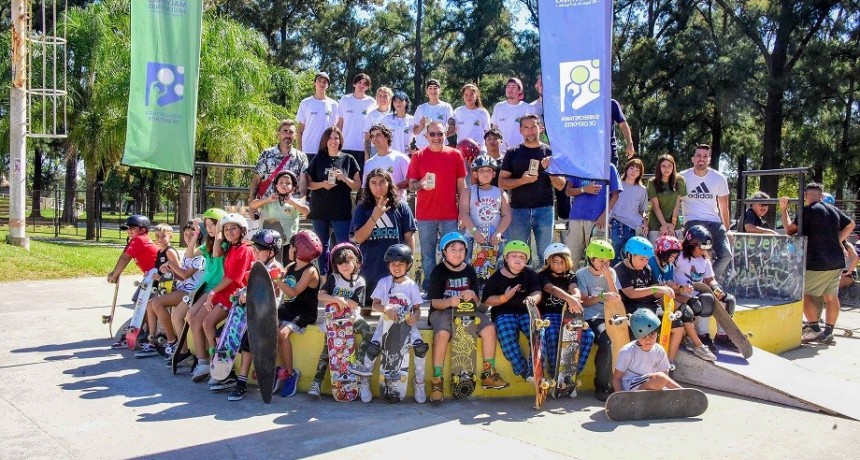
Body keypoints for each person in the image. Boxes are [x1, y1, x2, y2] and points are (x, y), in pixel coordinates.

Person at [427, 233, 509, 402]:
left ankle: (488, 372)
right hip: (443, 311)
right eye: (453, 250)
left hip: (468, 310)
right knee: (442, 334)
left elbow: (478, 303)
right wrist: (449, 301)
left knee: (489, 328)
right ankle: (437, 379)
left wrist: (472, 294)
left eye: (461, 249)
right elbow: (434, 302)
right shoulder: (438, 271)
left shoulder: (470, 269)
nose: (457, 253)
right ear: (444, 252)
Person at [780, 183, 855, 344]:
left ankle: (814, 329)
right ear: (821, 196)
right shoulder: (833, 210)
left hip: (818, 262)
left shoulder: (808, 211)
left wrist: (783, 209)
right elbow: (851, 224)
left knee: (802, 294)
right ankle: (828, 332)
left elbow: (789, 230)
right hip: (836, 261)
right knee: (831, 296)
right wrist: (838, 240)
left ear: (806, 196)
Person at [358, 244, 428, 403]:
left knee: (420, 349)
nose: (396, 268)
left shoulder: (411, 285)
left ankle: (419, 382)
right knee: (373, 348)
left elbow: (417, 309)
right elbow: (375, 304)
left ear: (408, 265)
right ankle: (364, 382)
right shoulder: (384, 283)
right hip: (385, 324)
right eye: (393, 264)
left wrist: (414, 317)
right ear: (388, 265)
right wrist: (385, 308)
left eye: (400, 264)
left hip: (407, 326)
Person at [191, 213, 255, 385]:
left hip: (235, 294)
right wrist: (219, 231)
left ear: (242, 231)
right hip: (225, 291)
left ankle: (221, 368)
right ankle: (216, 366)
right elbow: (216, 252)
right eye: (226, 228)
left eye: (233, 228)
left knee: (208, 323)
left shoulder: (245, 249)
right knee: (204, 323)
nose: (229, 231)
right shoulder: (231, 246)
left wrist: (212, 293)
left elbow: (234, 278)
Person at [498, 114, 566, 269]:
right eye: (526, 128)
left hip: (544, 209)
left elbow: (561, 185)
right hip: (518, 210)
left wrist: (550, 170)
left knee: (545, 254)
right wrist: (523, 180)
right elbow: (502, 182)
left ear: (540, 129)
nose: (530, 131)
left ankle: (544, 288)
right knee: (517, 253)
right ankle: (518, 288)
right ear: (520, 130)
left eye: (533, 127)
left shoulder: (551, 152)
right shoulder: (512, 152)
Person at [407, 121, 468, 290]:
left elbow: (461, 187)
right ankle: (431, 288)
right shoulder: (418, 156)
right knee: (428, 256)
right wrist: (421, 184)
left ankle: (451, 286)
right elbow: (411, 185)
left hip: (450, 215)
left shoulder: (455, 155)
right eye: (432, 134)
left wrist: (464, 213)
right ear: (425, 136)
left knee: (452, 253)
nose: (436, 137)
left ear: (445, 135)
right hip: (425, 215)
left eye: (440, 134)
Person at [227, 229, 285, 401]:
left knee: (249, 344)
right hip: (253, 316)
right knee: (232, 338)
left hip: (267, 318)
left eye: (259, 250)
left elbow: (269, 292)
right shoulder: (256, 267)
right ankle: (231, 375)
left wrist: (249, 294)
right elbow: (249, 288)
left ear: (272, 251)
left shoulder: (275, 268)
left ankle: (242, 382)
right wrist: (241, 293)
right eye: (255, 250)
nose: (255, 253)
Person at [352, 168, 418, 316]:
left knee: (398, 311)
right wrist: (375, 217)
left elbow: (409, 237)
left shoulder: (401, 207)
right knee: (366, 312)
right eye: (373, 183)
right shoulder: (362, 209)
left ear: (389, 184)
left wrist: (409, 259)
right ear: (368, 186)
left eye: (382, 182)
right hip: (370, 268)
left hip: (395, 268)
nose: (378, 186)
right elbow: (358, 238)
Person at [310, 242, 371, 399]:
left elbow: (353, 304)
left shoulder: (359, 281)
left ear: (356, 261)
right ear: (335, 265)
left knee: (367, 332)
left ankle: (356, 362)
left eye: (347, 262)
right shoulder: (333, 278)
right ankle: (316, 382)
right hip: (334, 321)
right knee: (327, 350)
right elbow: (320, 296)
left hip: (352, 317)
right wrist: (336, 299)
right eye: (340, 263)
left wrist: (335, 301)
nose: (344, 266)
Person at [169, 208, 226, 367]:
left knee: (199, 321)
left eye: (212, 225)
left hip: (218, 289)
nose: (208, 229)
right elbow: (188, 255)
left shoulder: (224, 243)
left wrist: (219, 233)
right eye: (206, 225)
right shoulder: (207, 243)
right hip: (205, 287)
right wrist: (195, 234)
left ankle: (206, 360)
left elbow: (216, 254)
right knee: (190, 317)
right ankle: (201, 360)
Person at [648, 235, 716, 367]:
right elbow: (656, 290)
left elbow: (671, 286)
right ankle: (698, 345)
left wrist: (682, 289)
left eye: (674, 257)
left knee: (694, 303)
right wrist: (674, 289)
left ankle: (687, 337)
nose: (673, 260)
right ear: (662, 253)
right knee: (685, 311)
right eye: (671, 256)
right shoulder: (651, 263)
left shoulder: (669, 266)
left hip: (665, 297)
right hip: (652, 300)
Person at [481, 240, 542, 382]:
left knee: (538, 332)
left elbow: (537, 292)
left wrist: (533, 299)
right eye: (513, 256)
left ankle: (534, 368)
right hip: (504, 313)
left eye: (522, 257)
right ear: (506, 258)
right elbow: (486, 300)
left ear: (527, 260)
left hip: (526, 312)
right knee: (507, 338)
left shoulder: (530, 274)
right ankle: (524, 371)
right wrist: (504, 297)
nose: (517, 259)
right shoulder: (496, 277)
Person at [271, 230, 323, 397]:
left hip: (303, 312)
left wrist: (277, 280)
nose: (289, 250)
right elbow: (279, 286)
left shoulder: (310, 271)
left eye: (291, 246)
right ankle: (273, 369)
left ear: (297, 250)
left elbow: (293, 292)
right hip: (288, 309)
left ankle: (290, 374)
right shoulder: (290, 267)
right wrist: (272, 278)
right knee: (268, 329)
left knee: (282, 334)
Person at [538, 243, 594, 396]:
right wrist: (570, 299)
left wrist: (574, 297)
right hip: (549, 314)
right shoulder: (543, 276)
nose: (558, 265)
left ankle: (571, 374)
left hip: (568, 316)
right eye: (555, 262)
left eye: (562, 262)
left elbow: (575, 289)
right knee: (552, 333)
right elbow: (551, 289)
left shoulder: (571, 275)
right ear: (548, 262)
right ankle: (554, 372)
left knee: (588, 336)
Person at [673, 225, 739, 353]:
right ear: (690, 244)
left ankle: (722, 336)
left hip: (700, 293)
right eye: (700, 248)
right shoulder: (679, 256)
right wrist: (678, 289)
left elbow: (710, 280)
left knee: (728, 300)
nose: (703, 252)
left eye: (706, 249)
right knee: (706, 300)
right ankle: (702, 335)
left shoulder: (704, 260)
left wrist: (717, 290)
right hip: (683, 296)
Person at [306, 126, 361, 275]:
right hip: (319, 209)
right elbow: (309, 183)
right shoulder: (318, 158)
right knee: (321, 246)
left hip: (341, 210)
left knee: (343, 245)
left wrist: (344, 178)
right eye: (330, 137)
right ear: (325, 140)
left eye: (336, 137)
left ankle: (344, 275)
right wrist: (323, 185)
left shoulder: (348, 159)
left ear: (341, 140)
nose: (333, 141)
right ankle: (324, 276)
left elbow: (357, 184)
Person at [573, 239, 622, 401]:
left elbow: (617, 297)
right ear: (591, 259)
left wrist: (608, 277)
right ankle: (601, 386)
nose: (605, 264)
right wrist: (602, 296)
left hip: (611, 315)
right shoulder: (581, 275)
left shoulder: (611, 273)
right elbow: (584, 301)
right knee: (607, 342)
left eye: (608, 261)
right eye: (601, 261)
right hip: (592, 316)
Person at [680, 144, 732, 279]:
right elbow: (675, 202)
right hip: (693, 222)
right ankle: (694, 283)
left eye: (705, 156)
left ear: (709, 159)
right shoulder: (682, 177)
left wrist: (727, 229)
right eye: (698, 156)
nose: (701, 159)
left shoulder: (719, 178)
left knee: (726, 255)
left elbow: (724, 205)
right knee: (696, 253)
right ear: (692, 159)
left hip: (714, 222)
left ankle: (707, 282)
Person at [156, 220, 206, 361]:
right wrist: (167, 271)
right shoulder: (187, 253)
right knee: (153, 303)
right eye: (185, 234)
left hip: (192, 292)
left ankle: (174, 343)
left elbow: (185, 275)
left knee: (158, 304)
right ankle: (167, 341)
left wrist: (170, 264)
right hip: (183, 287)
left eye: (192, 234)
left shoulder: (200, 254)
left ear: (199, 235)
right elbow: (181, 276)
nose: (188, 237)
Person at [108, 214, 158, 349]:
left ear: (143, 229)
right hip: (150, 276)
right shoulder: (137, 240)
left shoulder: (140, 240)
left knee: (142, 304)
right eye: (128, 228)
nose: (129, 230)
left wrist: (114, 274)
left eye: (133, 228)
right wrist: (116, 272)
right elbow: (125, 256)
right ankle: (139, 332)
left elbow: (125, 258)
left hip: (156, 277)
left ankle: (145, 335)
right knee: (139, 302)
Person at [136, 223, 182, 358]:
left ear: (170, 236)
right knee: (150, 304)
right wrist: (152, 275)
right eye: (157, 236)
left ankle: (171, 340)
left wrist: (161, 276)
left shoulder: (169, 251)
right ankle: (152, 340)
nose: (160, 239)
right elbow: (160, 271)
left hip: (172, 288)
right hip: (163, 287)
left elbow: (179, 273)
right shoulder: (159, 251)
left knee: (154, 303)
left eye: (163, 236)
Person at [458, 155, 511, 269]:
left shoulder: (501, 193)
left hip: (494, 240)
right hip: (472, 238)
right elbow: (464, 214)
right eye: (481, 171)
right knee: (471, 269)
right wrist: (475, 232)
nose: (485, 174)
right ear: (475, 174)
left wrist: (498, 233)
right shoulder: (468, 192)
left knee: (496, 269)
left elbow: (507, 215)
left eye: (489, 170)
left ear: (494, 174)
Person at [565, 164, 622, 269]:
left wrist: (604, 216)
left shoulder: (609, 167)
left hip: (597, 221)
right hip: (576, 218)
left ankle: (597, 284)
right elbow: (568, 191)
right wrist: (584, 189)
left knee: (597, 258)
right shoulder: (578, 165)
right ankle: (570, 284)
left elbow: (615, 195)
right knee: (570, 258)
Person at [611, 308, 682, 393]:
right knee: (660, 377)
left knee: (663, 380)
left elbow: (665, 378)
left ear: (657, 334)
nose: (648, 341)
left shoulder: (659, 350)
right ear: (637, 336)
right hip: (631, 388)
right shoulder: (628, 351)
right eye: (644, 337)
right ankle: (685, 395)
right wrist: (621, 399)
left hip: (650, 384)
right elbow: (616, 379)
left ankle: (686, 393)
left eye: (652, 336)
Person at [250, 170, 309, 262]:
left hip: (288, 242)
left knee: (288, 264)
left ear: (293, 188)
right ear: (276, 186)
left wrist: (291, 202)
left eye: (288, 183)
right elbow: (253, 205)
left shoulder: (295, 202)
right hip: (269, 242)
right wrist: (267, 200)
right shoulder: (270, 201)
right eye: (281, 182)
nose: (284, 185)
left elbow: (307, 211)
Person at [249, 119, 310, 208]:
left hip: (291, 208)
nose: (288, 135)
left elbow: (303, 183)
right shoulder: (267, 154)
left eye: (291, 132)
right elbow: (256, 180)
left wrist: (302, 203)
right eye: (285, 131)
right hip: (268, 206)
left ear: (295, 135)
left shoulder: (301, 157)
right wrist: (252, 207)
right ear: (278, 134)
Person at [609, 158, 648, 264]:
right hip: (617, 224)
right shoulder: (616, 184)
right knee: (613, 255)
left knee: (631, 257)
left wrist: (645, 222)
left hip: (634, 228)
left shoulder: (642, 189)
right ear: (626, 169)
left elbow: (642, 210)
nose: (633, 171)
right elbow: (609, 205)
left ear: (640, 173)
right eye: (631, 168)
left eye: (637, 170)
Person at [337, 73, 377, 173]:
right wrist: (338, 143)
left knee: (362, 180)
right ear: (354, 84)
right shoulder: (345, 99)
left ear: (367, 87)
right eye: (359, 82)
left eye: (365, 84)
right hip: (345, 146)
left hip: (363, 148)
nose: (361, 85)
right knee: (344, 180)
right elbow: (340, 123)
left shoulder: (371, 102)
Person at [297, 72, 338, 162]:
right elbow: (300, 129)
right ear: (314, 83)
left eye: (325, 82)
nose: (322, 84)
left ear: (327, 86)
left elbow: (335, 129)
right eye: (319, 81)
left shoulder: (334, 104)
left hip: (326, 150)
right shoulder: (305, 103)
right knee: (306, 176)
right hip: (308, 149)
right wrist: (299, 150)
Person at [363, 124, 411, 201]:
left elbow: (411, 180)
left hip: (397, 206)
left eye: (378, 135)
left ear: (387, 136)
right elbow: (365, 188)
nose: (375, 139)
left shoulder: (401, 158)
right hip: (376, 209)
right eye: (372, 136)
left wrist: (392, 188)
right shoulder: (369, 163)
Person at [646, 154, 686, 243]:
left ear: (673, 167)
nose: (666, 169)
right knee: (656, 253)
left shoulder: (680, 180)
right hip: (656, 223)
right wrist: (664, 225)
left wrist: (672, 224)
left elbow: (677, 205)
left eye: (669, 166)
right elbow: (655, 207)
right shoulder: (652, 182)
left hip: (674, 223)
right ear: (659, 167)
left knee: (676, 252)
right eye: (663, 166)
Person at [490, 77, 535, 153]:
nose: (510, 90)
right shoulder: (499, 107)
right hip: (501, 153)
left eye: (513, 87)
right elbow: (494, 129)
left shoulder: (527, 108)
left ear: (520, 90)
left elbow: (531, 131)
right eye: (508, 87)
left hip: (521, 151)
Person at [412, 79, 455, 150]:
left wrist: (438, 138)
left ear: (440, 90)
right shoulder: (421, 108)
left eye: (435, 88)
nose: (433, 91)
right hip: (422, 148)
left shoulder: (446, 107)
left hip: (439, 149)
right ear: (426, 91)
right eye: (430, 88)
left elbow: (453, 129)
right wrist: (421, 126)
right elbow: (414, 132)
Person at [453, 83, 491, 148]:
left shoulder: (483, 112)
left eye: (471, 94)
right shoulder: (457, 111)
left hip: (479, 150)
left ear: (476, 96)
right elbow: (453, 130)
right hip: (462, 149)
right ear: (463, 96)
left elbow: (487, 132)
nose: (468, 97)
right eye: (466, 95)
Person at [362, 86, 393, 160]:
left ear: (390, 99)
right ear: (376, 98)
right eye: (380, 96)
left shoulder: (394, 114)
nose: (382, 99)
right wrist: (367, 155)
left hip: (392, 149)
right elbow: (367, 137)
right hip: (375, 149)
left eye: (385, 96)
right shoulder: (371, 115)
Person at [609, 99, 636, 165]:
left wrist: (630, 143)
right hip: (586, 155)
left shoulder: (611, 103)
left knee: (611, 174)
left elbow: (623, 124)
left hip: (609, 153)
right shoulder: (583, 103)